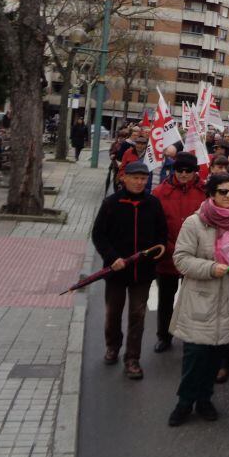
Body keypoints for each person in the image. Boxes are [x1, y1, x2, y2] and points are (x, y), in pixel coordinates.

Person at [167, 172, 229, 425]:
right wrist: (210, 268)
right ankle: (184, 401)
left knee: (216, 355)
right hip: (200, 299)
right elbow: (181, 259)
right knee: (195, 355)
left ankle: (205, 399)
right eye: (223, 192)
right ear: (211, 194)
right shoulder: (195, 223)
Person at [90, 161, 168, 380]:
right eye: (135, 178)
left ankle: (132, 358)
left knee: (137, 315)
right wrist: (111, 257)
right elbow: (98, 235)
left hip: (142, 272)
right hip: (116, 271)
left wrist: (155, 252)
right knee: (113, 313)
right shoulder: (111, 203)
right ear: (124, 178)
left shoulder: (153, 203)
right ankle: (112, 345)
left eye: (143, 179)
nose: (139, 182)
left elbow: (162, 234)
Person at [152, 152, 206, 355]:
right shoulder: (160, 192)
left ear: (195, 172)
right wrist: (169, 247)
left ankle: (190, 336)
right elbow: (155, 225)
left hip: (195, 258)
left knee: (193, 299)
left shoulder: (205, 192)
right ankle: (164, 336)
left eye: (188, 170)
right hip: (168, 257)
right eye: (179, 170)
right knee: (165, 299)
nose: (183, 174)